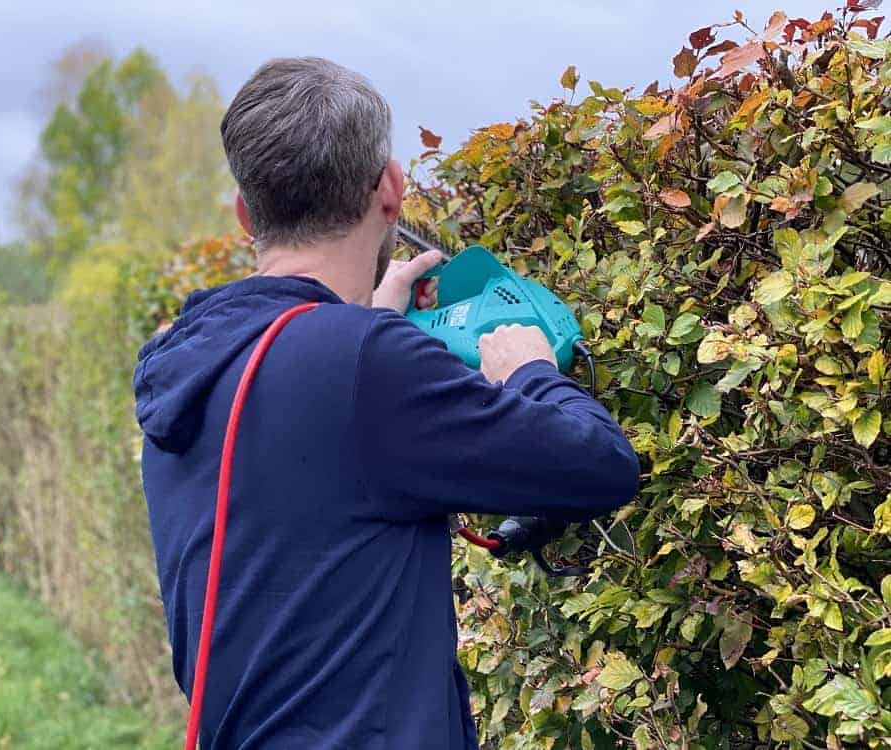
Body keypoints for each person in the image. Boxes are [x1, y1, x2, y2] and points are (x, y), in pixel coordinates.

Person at [133, 56, 639, 750]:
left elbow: (311, 473)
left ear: (246, 213)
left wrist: (372, 323)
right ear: (392, 190)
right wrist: (528, 373)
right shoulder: (363, 365)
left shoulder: (192, 357)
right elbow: (601, 466)